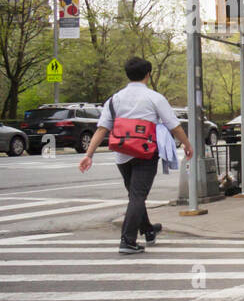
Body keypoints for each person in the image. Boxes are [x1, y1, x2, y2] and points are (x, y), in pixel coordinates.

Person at [78, 56, 194, 255]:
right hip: (145, 153)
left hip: (122, 155)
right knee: (138, 196)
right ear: (148, 75)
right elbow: (173, 125)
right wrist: (187, 144)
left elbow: (101, 129)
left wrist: (89, 155)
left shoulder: (114, 99)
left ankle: (148, 230)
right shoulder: (154, 98)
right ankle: (127, 240)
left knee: (135, 195)